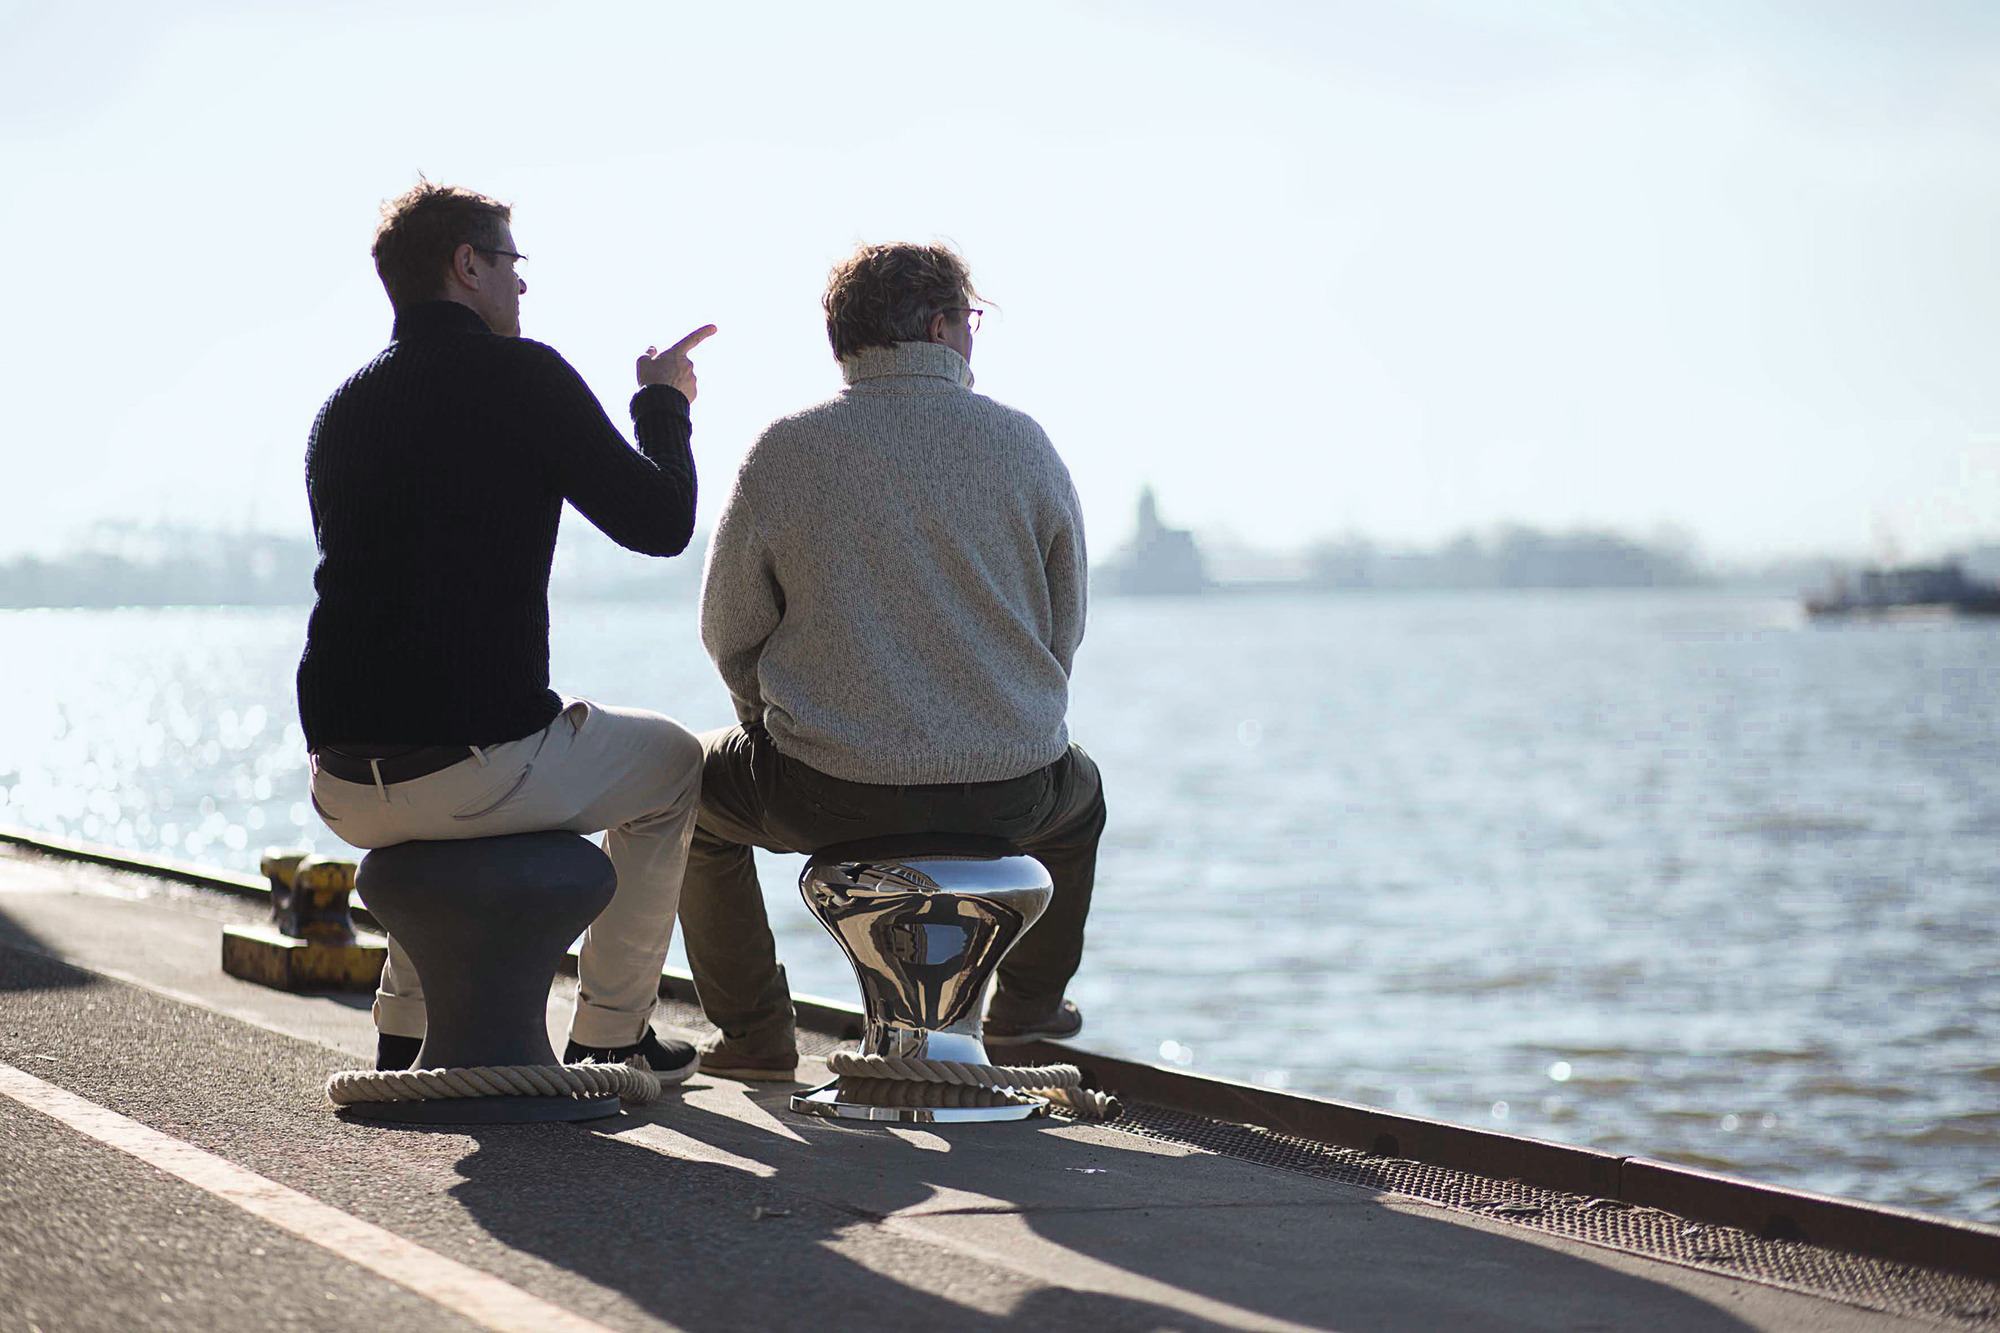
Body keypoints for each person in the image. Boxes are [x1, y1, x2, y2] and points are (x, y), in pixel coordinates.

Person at [297, 182, 714, 1080]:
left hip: (340, 784)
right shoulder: (525, 377)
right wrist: (663, 403)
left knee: (447, 785)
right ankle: (613, 1032)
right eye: (513, 265)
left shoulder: (340, 410)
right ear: (468, 264)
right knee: (676, 765)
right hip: (472, 770)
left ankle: (405, 1033)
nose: (522, 289)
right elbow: (661, 522)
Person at [682, 241, 1106, 1080]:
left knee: (691, 804)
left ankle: (756, 1033)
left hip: (822, 787)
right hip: (1008, 786)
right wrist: (1010, 717)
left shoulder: (784, 450)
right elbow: (1065, 626)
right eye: (971, 321)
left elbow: (728, 629)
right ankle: (1027, 1004)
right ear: (946, 325)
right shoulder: (1024, 444)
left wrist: (767, 726)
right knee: (1081, 801)